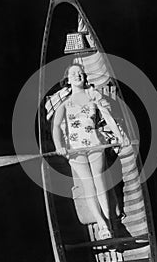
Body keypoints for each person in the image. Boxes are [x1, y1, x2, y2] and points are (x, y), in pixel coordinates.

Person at [52, 63, 128, 239]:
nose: (77, 75)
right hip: (75, 150)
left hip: (95, 144)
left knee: (100, 182)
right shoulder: (64, 102)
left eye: (80, 73)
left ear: (84, 77)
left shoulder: (92, 94)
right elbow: (56, 126)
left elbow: (107, 117)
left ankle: (109, 223)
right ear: (68, 80)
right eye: (73, 74)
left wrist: (119, 136)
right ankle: (101, 223)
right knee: (88, 186)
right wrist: (58, 146)